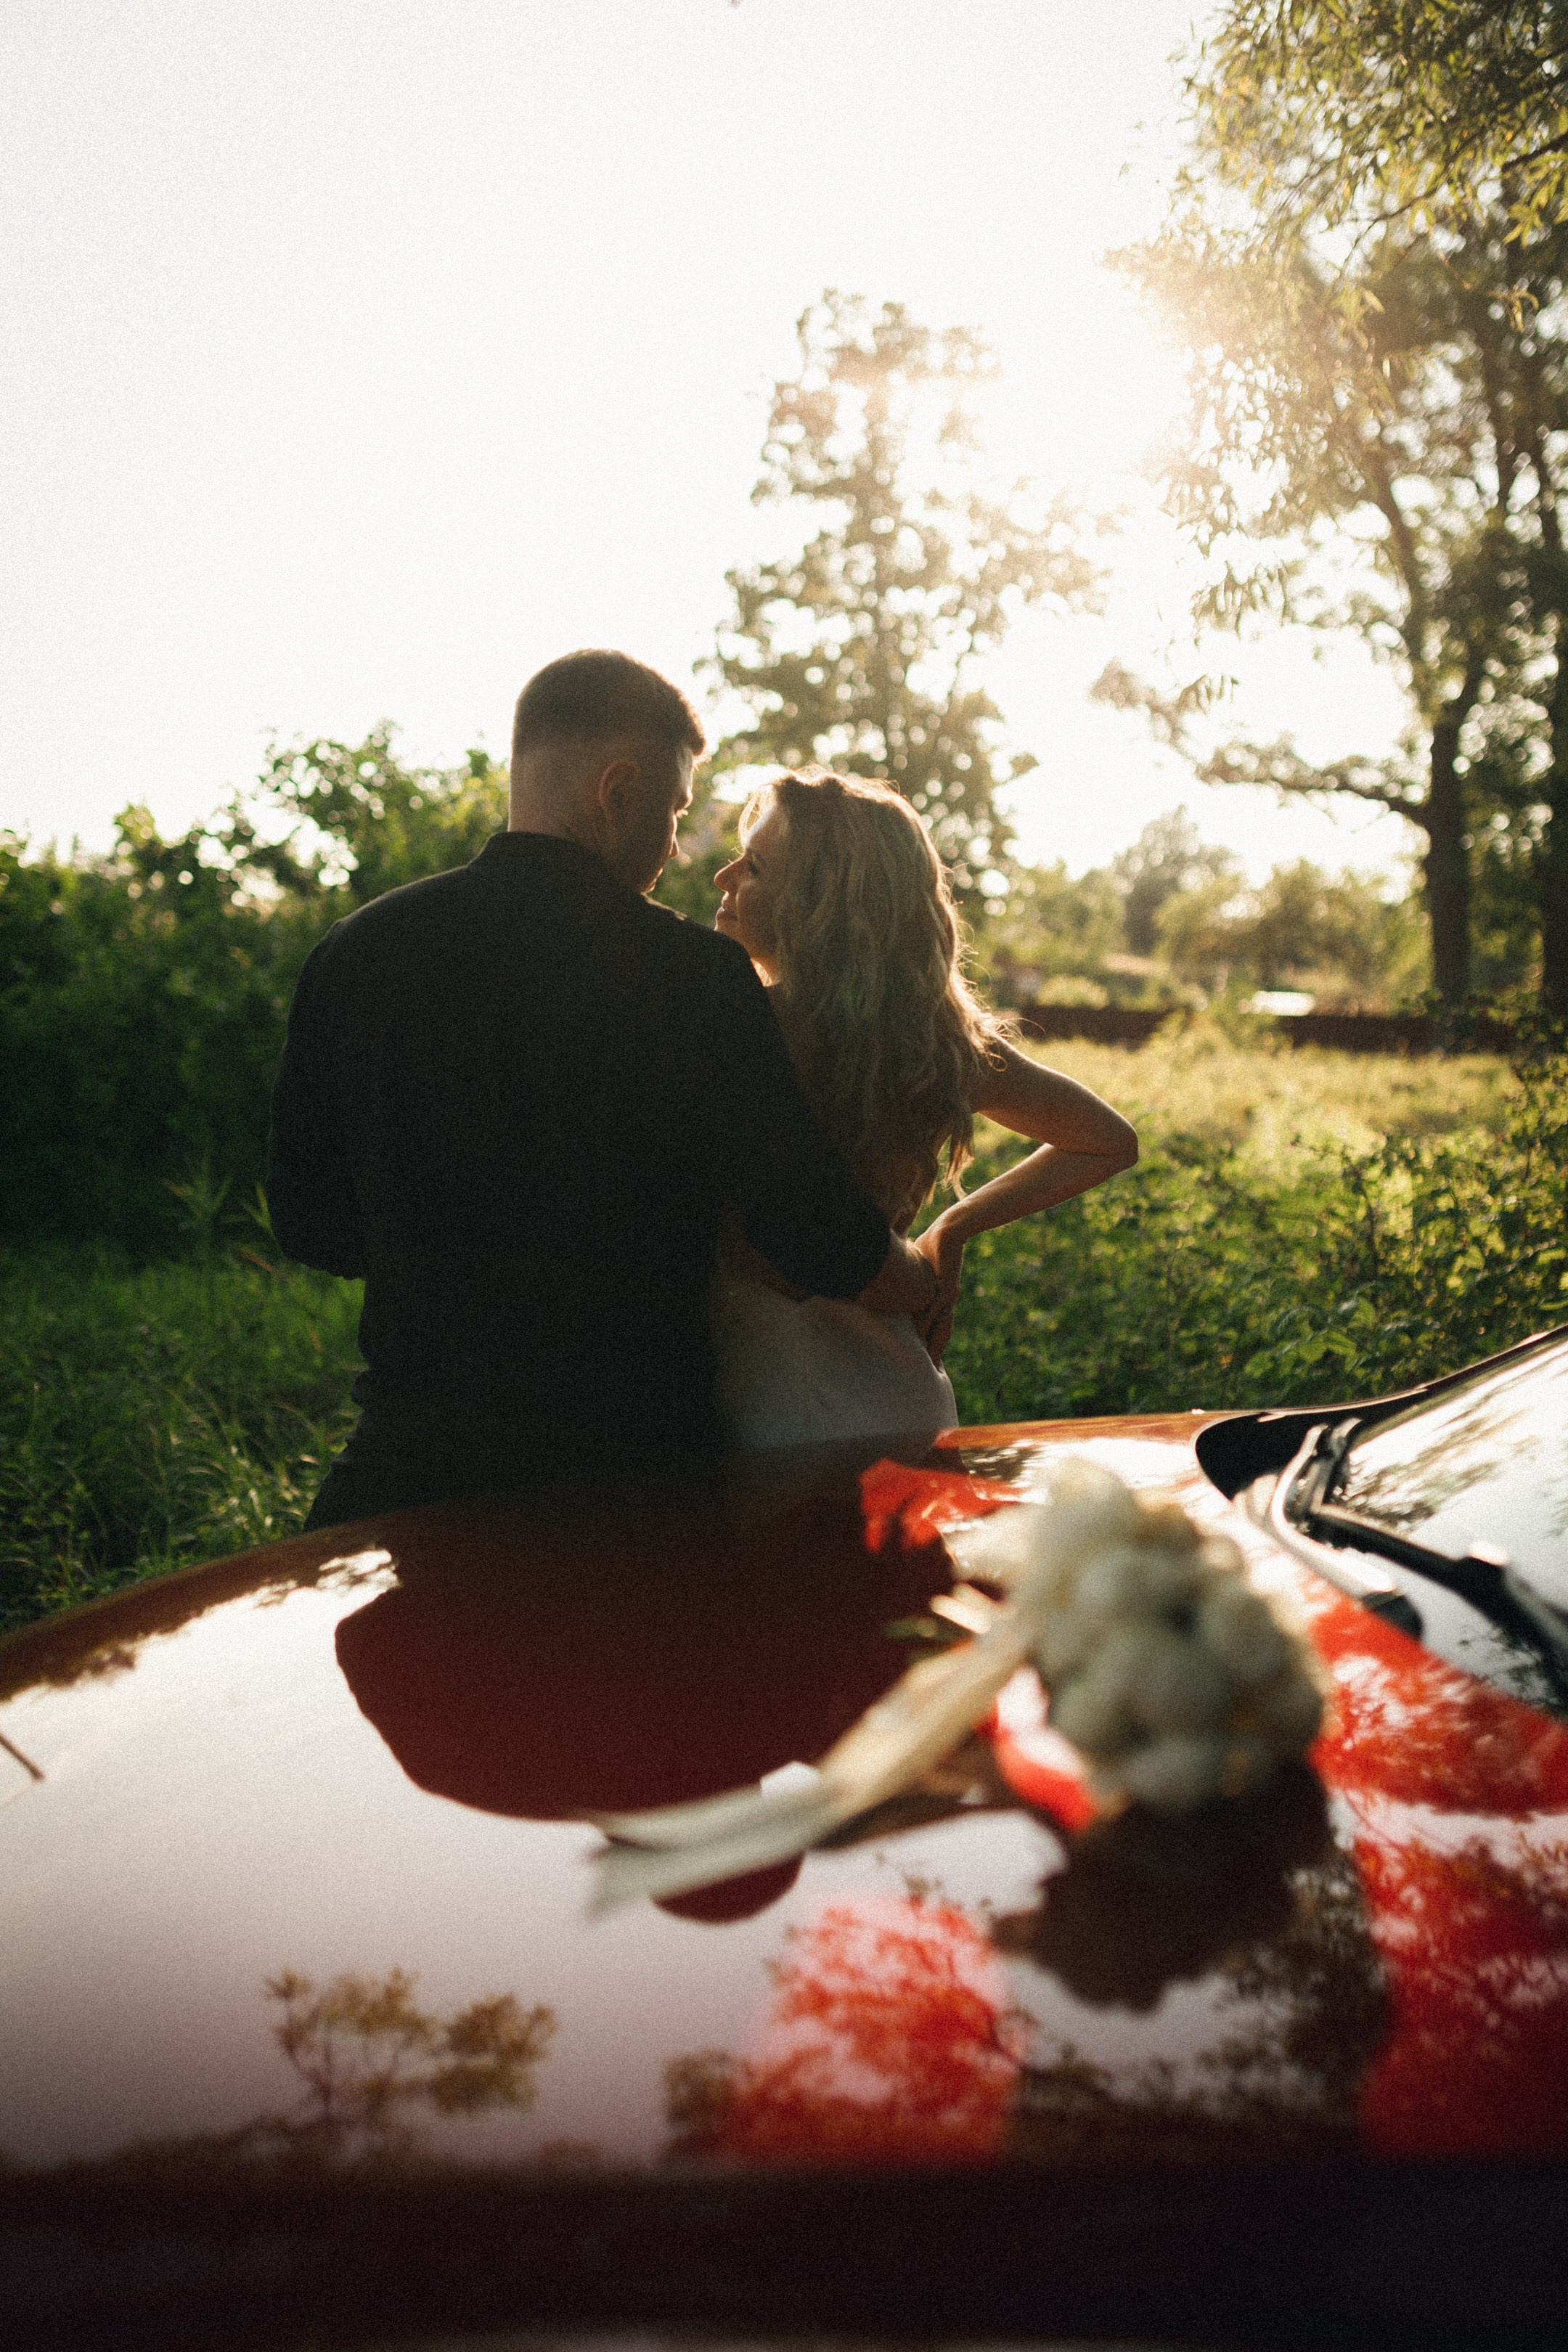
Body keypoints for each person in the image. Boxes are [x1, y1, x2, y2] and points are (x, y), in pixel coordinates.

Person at [266, 653, 938, 1530]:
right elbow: (813, 1238)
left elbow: (309, 1224)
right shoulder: (696, 977)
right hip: (631, 1493)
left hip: (407, 1481)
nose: (672, 846)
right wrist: (926, 1269)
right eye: (672, 811)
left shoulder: (356, 951)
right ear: (617, 790)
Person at [708, 769, 1138, 1447]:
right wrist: (954, 1229)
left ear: (823, 904)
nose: (724, 877)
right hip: (891, 1385)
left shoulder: (731, 1029)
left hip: (750, 1392)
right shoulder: (937, 1046)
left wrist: (953, 1227)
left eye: (755, 865)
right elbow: (1108, 1140)